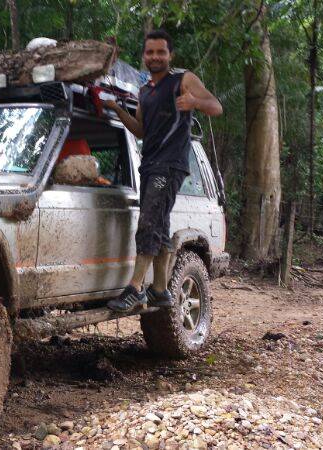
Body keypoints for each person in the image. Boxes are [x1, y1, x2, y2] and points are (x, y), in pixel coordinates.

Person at [102, 29, 223, 312]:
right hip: (150, 163)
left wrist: (194, 102)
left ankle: (135, 289)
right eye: (150, 52)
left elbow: (216, 107)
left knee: (148, 222)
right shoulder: (145, 91)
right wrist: (118, 110)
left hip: (170, 164)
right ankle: (159, 290)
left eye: (161, 52)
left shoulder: (183, 80)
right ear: (144, 56)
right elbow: (140, 130)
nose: (155, 57)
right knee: (160, 225)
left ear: (170, 55)